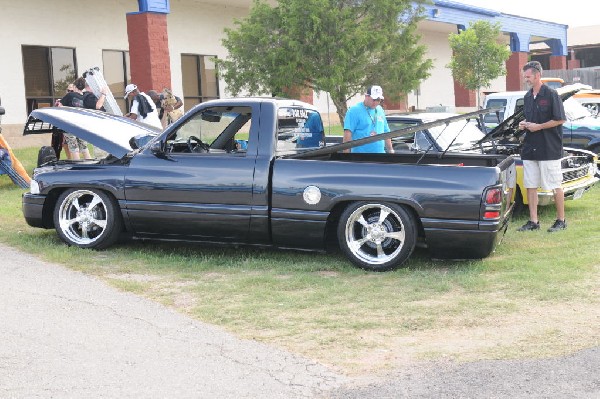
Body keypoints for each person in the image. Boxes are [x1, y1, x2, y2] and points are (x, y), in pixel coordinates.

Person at [517, 61, 567, 233]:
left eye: (528, 76)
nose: (526, 80)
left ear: (537, 75)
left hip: (549, 148)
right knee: (530, 185)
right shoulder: (527, 97)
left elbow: (560, 119)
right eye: (525, 77)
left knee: (555, 184)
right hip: (530, 147)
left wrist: (539, 127)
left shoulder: (552, 94)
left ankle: (561, 220)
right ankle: (533, 221)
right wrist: (523, 124)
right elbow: (530, 118)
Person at [343, 85, 393, 153]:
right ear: (366, 96)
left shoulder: (380, 109)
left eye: (378, 100)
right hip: (361, 158)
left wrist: (390, 150)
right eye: (373, 99)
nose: (376, 102)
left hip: (380, 155)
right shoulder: (354, 111)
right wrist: (346, 156)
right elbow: (347, 133)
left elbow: (386, 131)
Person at [56, 77, 92, 160]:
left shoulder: (70, 95)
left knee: (74, 148)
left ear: (75, 86)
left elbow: (60, 107)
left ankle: (78, 168)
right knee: (84, 147)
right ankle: (90, 165)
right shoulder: (86, 97)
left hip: (69, 125)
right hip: (82, 126)